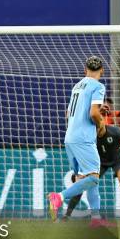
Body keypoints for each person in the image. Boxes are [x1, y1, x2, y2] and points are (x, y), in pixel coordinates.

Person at [48, 56, 111, 226]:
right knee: (93, 178)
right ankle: (58, 197)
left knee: (85, 178)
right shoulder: (98, 86)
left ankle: (96, 219)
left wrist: (97, 110)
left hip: (70, 137)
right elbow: (93, 114)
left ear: (85, 70)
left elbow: (68, 114)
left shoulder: (77, 86)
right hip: (84, 139)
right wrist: (101, 124)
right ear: (102, 70)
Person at [63, 124, 120, 217]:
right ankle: (67, 215)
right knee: (82, 183)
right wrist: (79, 171)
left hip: (118, 158)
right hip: (100, 162)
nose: (96, 131)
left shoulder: (115, 131)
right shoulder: (90, 137)